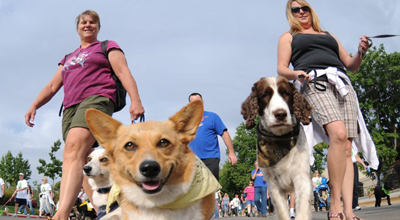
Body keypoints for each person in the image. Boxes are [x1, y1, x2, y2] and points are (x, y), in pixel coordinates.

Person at [24, 10, 145, 220]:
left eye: (92, 22)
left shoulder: (107, 47)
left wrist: (135, 100)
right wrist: (34, 105)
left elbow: (124, 72)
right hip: (70, 107)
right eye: (83, 22)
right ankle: (103, 212)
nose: (87, 25)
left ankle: (61, 214)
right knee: (82, 161)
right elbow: (53, 86)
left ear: (98, 27)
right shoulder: (68, 58)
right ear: (77, 27)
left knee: (72, 149)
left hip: (97, 98)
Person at [277, 1, 371, 219]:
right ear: (290, 14)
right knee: (337, 134)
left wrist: (360, 52)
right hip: (314, 83)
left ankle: (348, 211)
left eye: (304, 8)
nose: (301, 12)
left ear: (311, 10)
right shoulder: (289, 37)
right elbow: (281, 67)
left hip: (342, 84)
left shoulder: (328, 34)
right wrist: (296, 73)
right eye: (295, 10)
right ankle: (334, 204)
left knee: (347, 147)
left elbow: (350, 64)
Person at [188, 93, 237, 181]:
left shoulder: (212, 117)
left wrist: (231, 152)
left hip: (210, 157)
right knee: (193, 190)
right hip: (192, 160)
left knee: (210, 187)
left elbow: (224, 134)